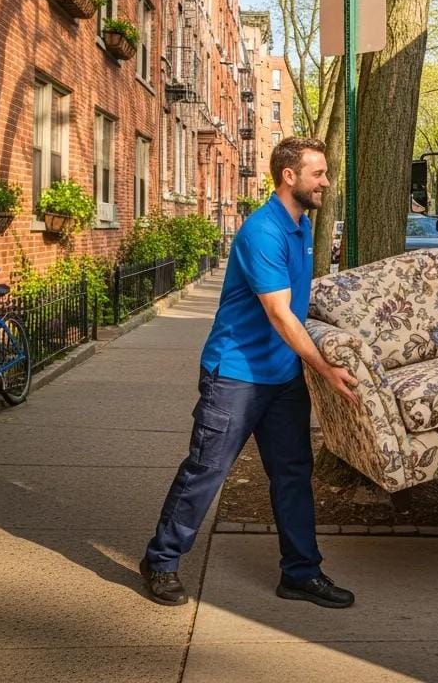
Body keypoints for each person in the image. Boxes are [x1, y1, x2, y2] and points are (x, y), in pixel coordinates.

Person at [140, 137, 360, 608]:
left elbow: (300, 300)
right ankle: (161, 560)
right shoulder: (263, 231)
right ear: (289, 176)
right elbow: (280, 314)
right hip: (236, 376)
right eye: (318, 173)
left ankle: (301, 573)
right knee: (206, 470)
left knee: (293, 474)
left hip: (282, 378)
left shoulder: (301, 226)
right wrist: (324, 368)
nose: (326, 182)